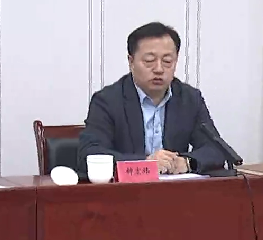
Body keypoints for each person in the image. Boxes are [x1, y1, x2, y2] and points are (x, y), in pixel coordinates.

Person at [75, 22, 228, 176]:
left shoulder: (189, 99)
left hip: (176, 188)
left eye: (167, 61)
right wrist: (145, 164)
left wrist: (187, 162)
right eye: (149, 61)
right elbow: (90, 154)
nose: (159, 69)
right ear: (131, 62)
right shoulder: (107, 101)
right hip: (127, 189)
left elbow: (216, 149)